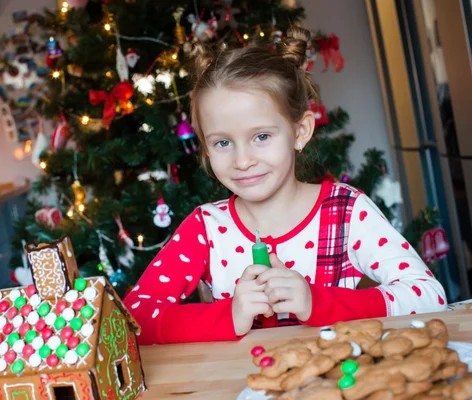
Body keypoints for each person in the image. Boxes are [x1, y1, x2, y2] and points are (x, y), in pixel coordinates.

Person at [123, 27, 447, 345]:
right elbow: (134, 319)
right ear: (205, 147)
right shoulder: (206, 228)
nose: (243, 160)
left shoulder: (347, 212)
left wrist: (317, 303)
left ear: (300, 131)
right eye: (222, 142)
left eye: (261, 137)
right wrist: (229, 316)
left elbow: (429, 296)